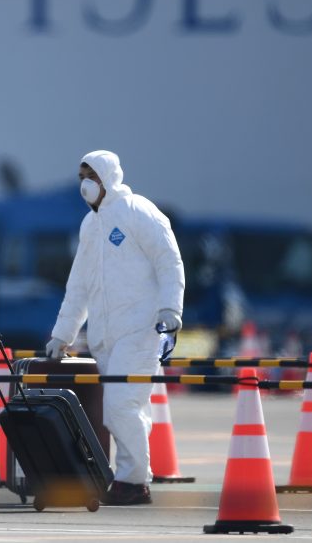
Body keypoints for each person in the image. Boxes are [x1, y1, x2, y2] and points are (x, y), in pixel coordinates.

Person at [46, 150, 185, 506]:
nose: (85, 183)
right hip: (105, 335)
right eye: (81, 176)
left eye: (90, 174)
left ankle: (134, 481)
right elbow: (78, 285)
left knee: (122, 406)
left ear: (108, 175)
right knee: (126, 407)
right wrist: (63, 334)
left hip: (141, 329)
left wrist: (170, 308)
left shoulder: (139, 211)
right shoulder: (91, 225)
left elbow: (169, 260)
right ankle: (128, 477)